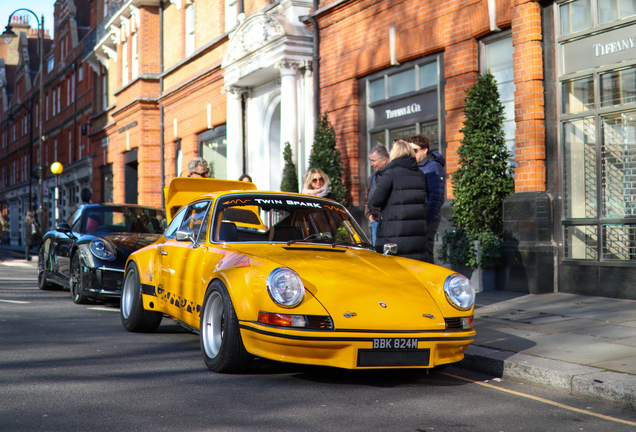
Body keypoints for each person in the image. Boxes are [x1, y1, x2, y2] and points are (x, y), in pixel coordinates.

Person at [369, 140, 428, 261]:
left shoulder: (390, 174)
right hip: (417, 234)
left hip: (394, 234)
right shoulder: (420, 174)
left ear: (394, 154)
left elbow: (374, 201)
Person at [408, 134, 446, 264]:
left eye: (415, 150)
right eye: (410, 151)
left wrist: (425, 220)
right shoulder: (416, 165)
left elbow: (437, 196)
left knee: (425, 254)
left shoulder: (433, 166)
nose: (412, 154)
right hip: (418, 218)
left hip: (427, 219)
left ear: (424, 150)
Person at [365, 145, 390, 246]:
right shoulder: (372, 177)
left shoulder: (392, 175)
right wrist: (369, 215)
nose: (371, 164)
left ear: (384, 159)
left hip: (389, 223)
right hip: (375, 222)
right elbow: (367, 197)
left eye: (374, 161)